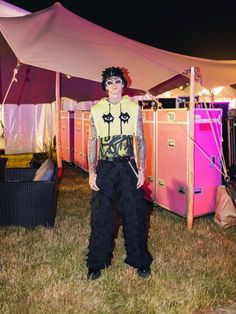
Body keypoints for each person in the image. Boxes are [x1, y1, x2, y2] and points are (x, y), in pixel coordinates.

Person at [86, 66, 153, 280]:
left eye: (117, 81)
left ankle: (139, 259)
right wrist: (91, 172)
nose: (114, 85)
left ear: (123, 84)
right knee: (101, 215)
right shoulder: (96, 109)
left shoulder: (133, 108)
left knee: (134, 213)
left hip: (128, 166)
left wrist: (141, 169)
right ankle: (97, 262)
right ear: (105, 87)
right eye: (110, 82)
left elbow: (140, 139)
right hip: (105, 166)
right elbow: (92, 141)